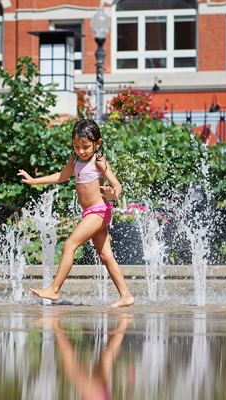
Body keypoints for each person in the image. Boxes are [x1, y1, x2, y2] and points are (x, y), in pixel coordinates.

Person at [17, 119, 134, 307]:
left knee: (69, 245)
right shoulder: (75, 159)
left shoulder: (99, 161)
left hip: (99, 212)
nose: (81, 151)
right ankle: (126, 295)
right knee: (105, 255)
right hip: (90, 212)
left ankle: (54, 290)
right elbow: (61, 177)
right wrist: (34, 181)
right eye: (76, 146)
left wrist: (114, 193)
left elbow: (116, 184)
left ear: (98, 143)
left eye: (86, 146)